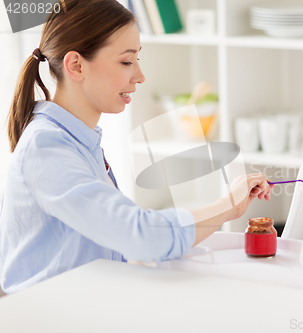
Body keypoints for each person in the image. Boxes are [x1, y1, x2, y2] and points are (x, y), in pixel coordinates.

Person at [0, 0, 273, 294]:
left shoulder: (78, 139)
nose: (140, 76)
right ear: (76, 65)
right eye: (126, 61)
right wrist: (226, 207)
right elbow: (141, 235)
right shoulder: (47, 147)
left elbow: (116, 238)